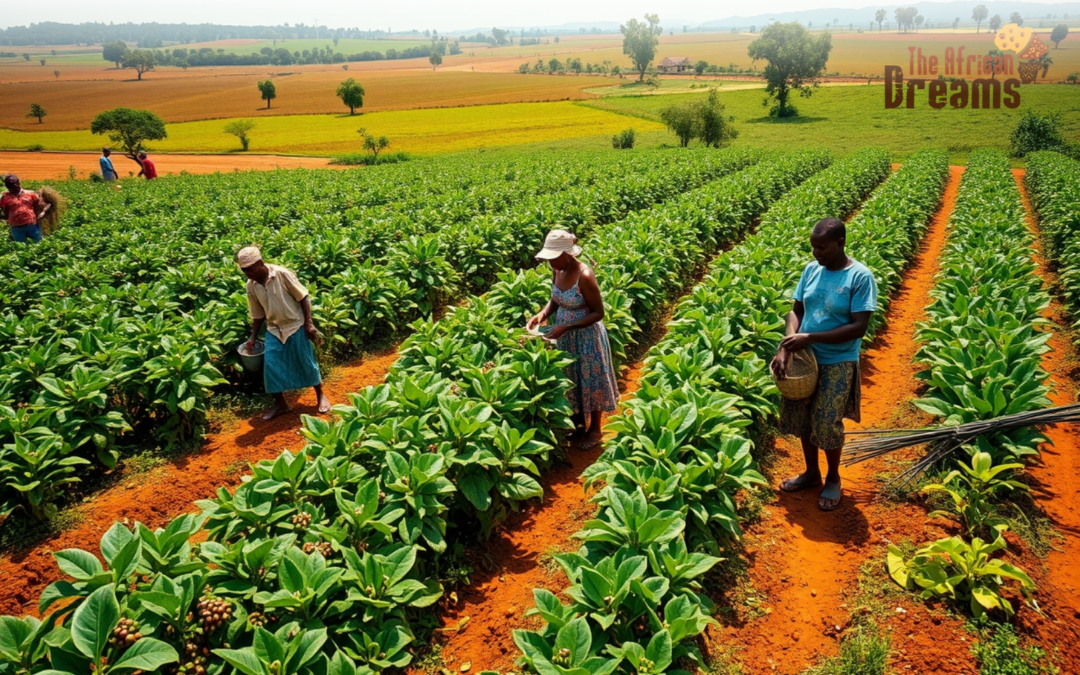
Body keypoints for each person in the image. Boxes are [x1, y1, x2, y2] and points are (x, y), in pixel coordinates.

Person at [770, 217, 877, 511]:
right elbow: (796, 311)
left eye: (822, 247)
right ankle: (811, 472)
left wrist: (810, 337)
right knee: (805, 418)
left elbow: (858, 327)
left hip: (838, 360)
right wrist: (788, 344)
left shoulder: (859, 277)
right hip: (806, 358)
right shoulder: (811, 270)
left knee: (827, 421)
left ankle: (832, 478)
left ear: (840, 243)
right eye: (813, 247)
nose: (816, 253)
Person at [527, 230, 618, 449]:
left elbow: (598, 313)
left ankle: (595, 428)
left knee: (591, 378)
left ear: (567, 254)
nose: (550, 263)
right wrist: (543, 314)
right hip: (564, 334)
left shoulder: (584, 275)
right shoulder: (558, 270)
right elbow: (555, 299)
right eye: (548, 259)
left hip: (587, 335)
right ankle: (578, 423)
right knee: (572, 377)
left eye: (554, 257)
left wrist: (567, 326)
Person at [237, 246, 331, 420]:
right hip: (274, 329)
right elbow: (258, 315)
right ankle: (281, 404)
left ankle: (320, 396)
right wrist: (253, 337)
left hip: (295, 324)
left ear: (260, 263)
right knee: (271, 366)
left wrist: (308, 324)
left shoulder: (281, 274)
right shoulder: (251, 286)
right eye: (243, 270)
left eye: (249, 269)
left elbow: (304, 297)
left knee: (306, 362)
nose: (247, 273)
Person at [1, 174, 49, 244]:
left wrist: (42, 214)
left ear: (18, 184)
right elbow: (6, 213)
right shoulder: (4, 198)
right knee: (20, 247)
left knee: (40, 244)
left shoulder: (30, 194)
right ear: (7, 186)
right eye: (10, 186)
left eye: (14, 186)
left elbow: (38, 206)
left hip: (32, 225)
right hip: (16, 227)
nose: (13, 188)